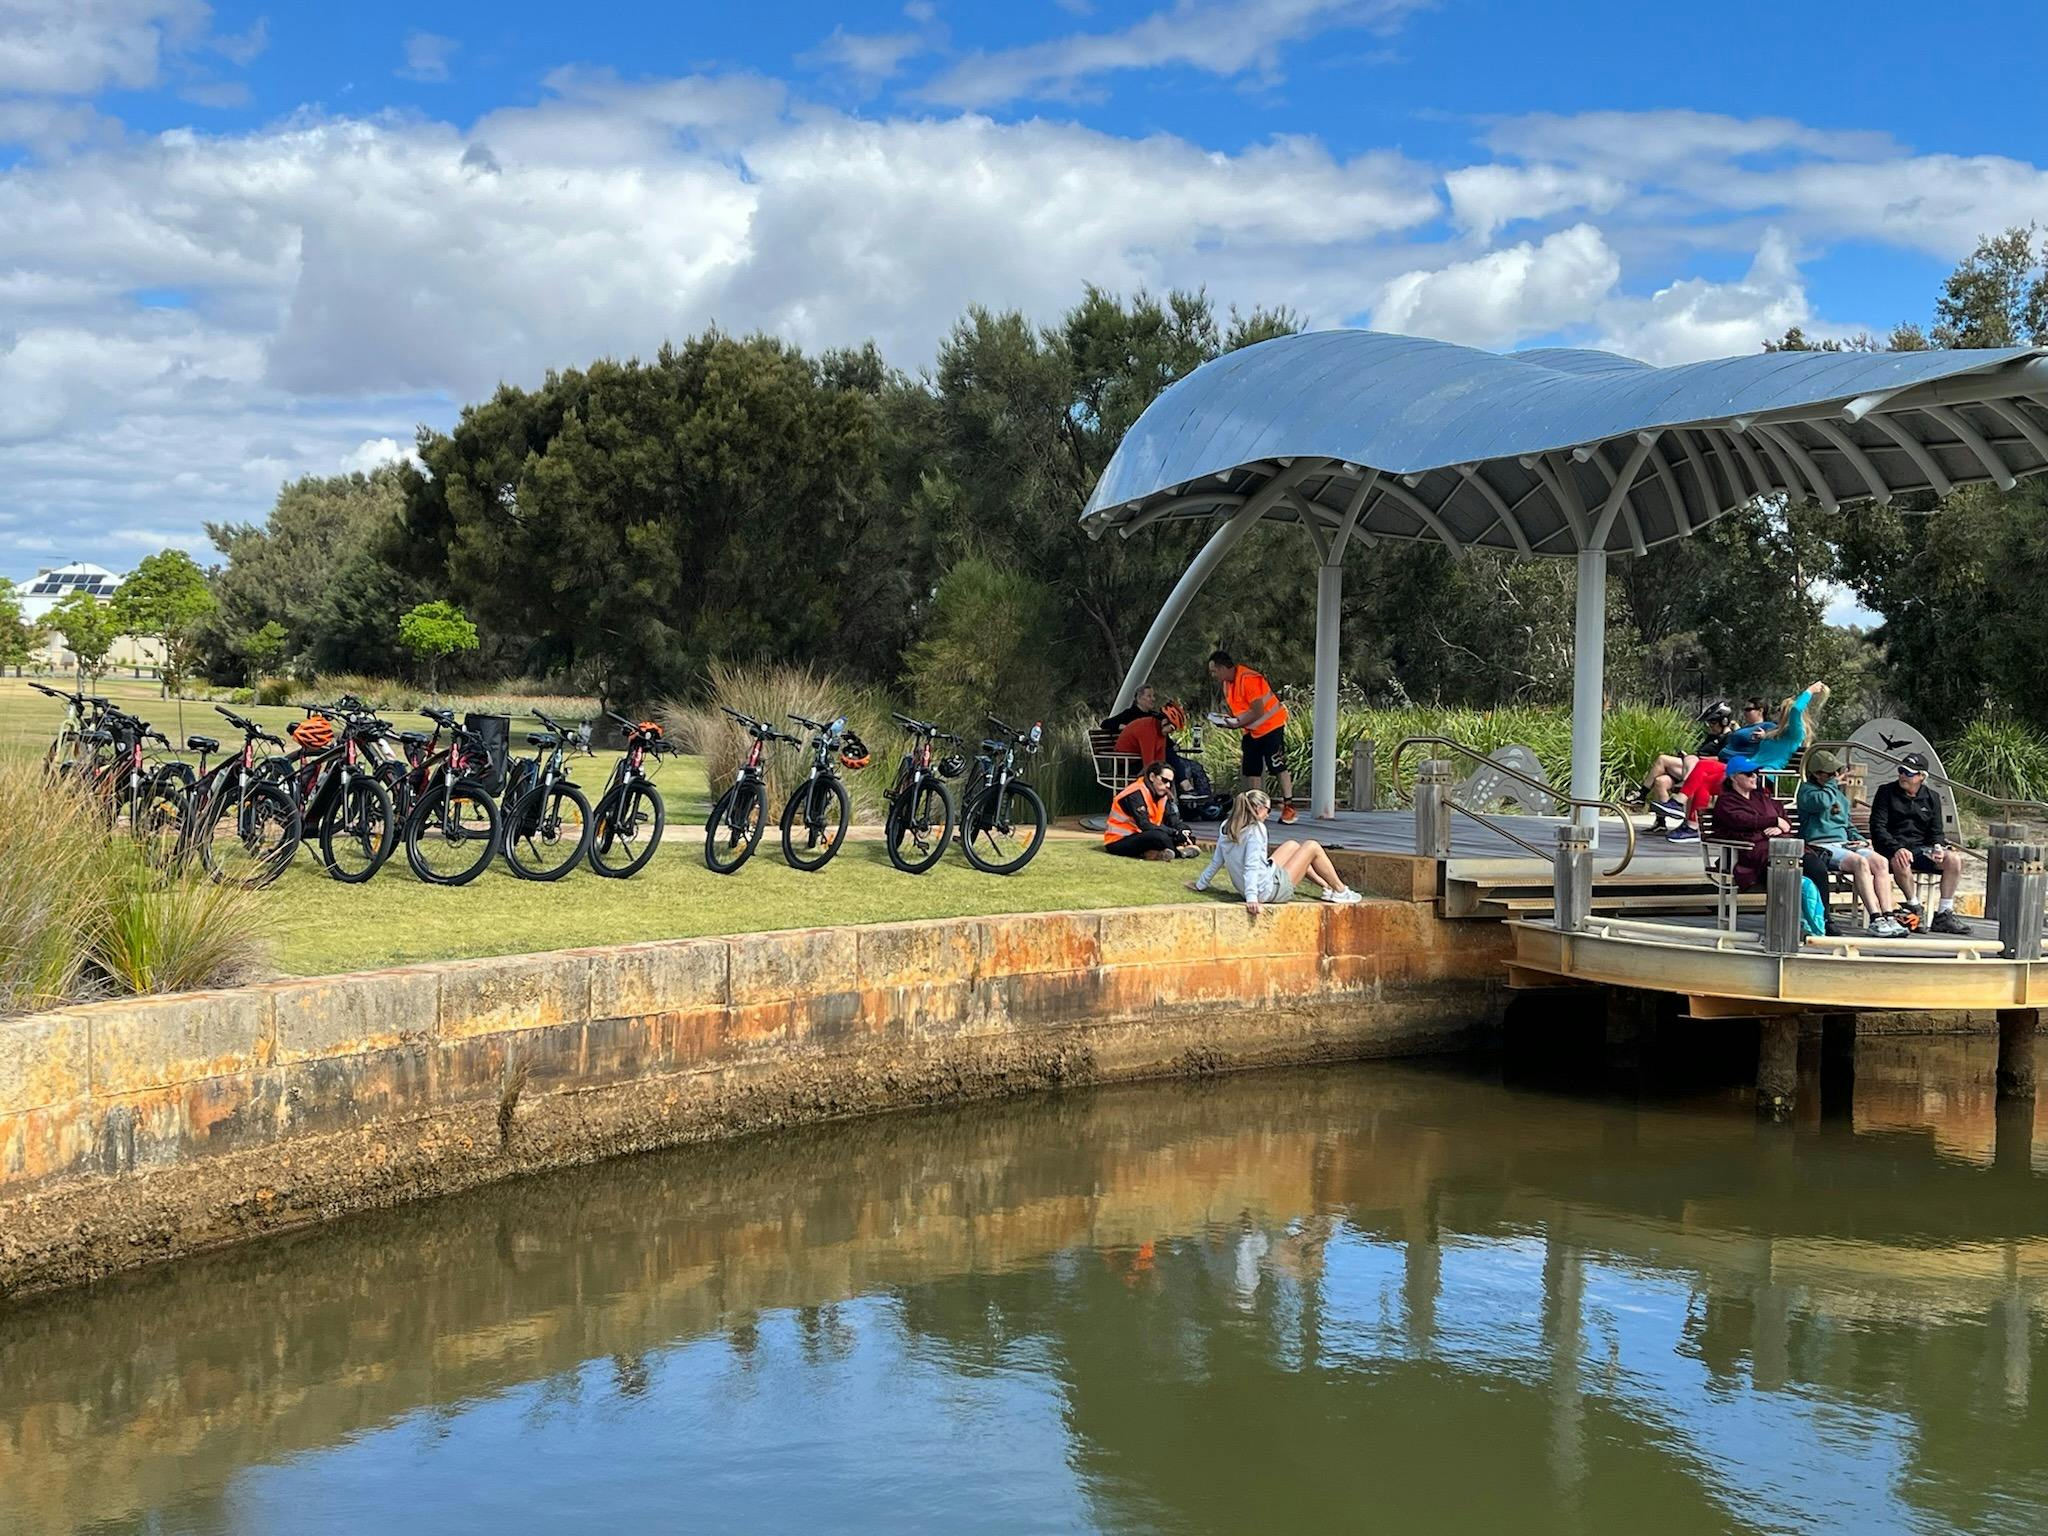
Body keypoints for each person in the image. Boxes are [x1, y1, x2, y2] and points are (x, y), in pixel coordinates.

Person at [1671, 684, 1827, 844]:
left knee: (1706, 778)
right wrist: (1763, 736)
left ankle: (1688, 820)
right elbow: (1770, 746)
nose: (1780, 714)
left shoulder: (1796, 733)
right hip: (1747, 769)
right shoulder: (1777, 733)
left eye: (1782, 710)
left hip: (1761, 777)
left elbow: (1796, 711)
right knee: (1702, 770)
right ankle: (1686, 816)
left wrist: (1810, 691)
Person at [1188, 789, 1360, 912]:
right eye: (1268, 810)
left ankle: (1326, 887)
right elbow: (1251, 865)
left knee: (1293, 845)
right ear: (1257, 809)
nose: (1268, 815)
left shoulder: (1227, 826)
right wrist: (1252, 898)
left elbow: (1217, 861)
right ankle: (1340, 890)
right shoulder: (1256, 830)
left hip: (1258, 882)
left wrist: (1200, 884)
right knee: (1312, 846)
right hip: (1268, 890)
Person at [1796, 749, 1908, 937]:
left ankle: (1888, 915)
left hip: (1845, 843)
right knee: (1860, 863)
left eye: (1835, 773)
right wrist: (1833, 785)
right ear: (1816, 774)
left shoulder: (1839, 795)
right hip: (1821, 845)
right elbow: (1822, 803)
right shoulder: (1807, 792)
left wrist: (1863, 841)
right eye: (1829, 774)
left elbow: (1847, 824)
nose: (1835, 777)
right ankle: (1875, 918)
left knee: (1880, 862)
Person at [1869, 751, 1969, 934]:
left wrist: (1938, 847)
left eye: (1908, 773)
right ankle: (1914, 906)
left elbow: (1936, 832)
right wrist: (1896, 848)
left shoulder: (1932, 797)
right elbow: (1878, 828)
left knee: (1953, 859)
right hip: (1891, 846)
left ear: (1921, 777)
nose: (1902, 776)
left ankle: (1944, 913)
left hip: (1921, 848)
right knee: (1901, 859)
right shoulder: (1886, 792)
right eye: (1901, 771)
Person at [1207, 649, 1294, 823]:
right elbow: (1240, 711)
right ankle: (1256, 807)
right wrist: (1227, 721)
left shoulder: (1249, 679)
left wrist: (1237, 722)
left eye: (1214, 671)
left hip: (1271, 727)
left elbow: (1258, 710)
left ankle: (1289, 806)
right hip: (1251, 730)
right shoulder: (1227, 684)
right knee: (1251, 769)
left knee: (1277, 765)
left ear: (1223, 668)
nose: (1213, 675)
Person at [1643, 701, 1738, 826]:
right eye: (1709, 723)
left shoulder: (1730, 738)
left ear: (1724, 722)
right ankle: (1663, 820)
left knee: (1663, 759)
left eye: (1713, 722)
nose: (1710, 725)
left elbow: (1723, 759)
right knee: (1660, 781)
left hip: (1705, 769)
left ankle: (1641, 794)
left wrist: (1699, 758)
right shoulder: (1711, 736)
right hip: (1690, 767)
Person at [1101, 684, 1196, 794]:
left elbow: (1160, 751)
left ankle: (1184, 791)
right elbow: (1149, 760)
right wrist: (1122, 727)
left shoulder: (1154, 719)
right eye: (1149, 696)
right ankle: (1185, 787)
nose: (1153, 699)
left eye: (1153, 696)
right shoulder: (1137, 719)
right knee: (1167, 757)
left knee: (1169, 756)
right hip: (1129, 761)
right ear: (1139, 698)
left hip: (1143, 756)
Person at [1103, 760, 1199, 861]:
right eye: (1164, 780)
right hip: (1119, 840)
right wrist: (1175, 833)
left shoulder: (1162, 795)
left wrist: (1183, 830)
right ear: (1152, 777)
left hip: (1144, 835)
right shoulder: (1135, 793)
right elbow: (1144, 825)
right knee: (1159, 836)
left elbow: (1174, 821)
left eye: (1170, 782)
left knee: (1185, 833)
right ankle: (1180, 852)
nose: (1168, 786)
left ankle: (1157, 853)